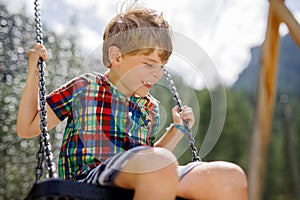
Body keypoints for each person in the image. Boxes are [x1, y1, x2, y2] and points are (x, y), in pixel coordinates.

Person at [17, 3, 248, 200]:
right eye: (149, 64)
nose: (157, 74)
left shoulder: (150, 108)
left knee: (228, 176)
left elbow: (149, 157)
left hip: (138, 175)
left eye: (161, 67)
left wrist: (177, 129)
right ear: (116, 57)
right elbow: (28, 127)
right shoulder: (86, 87)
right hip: (91, 180)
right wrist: (33, 72)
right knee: (159, 165)